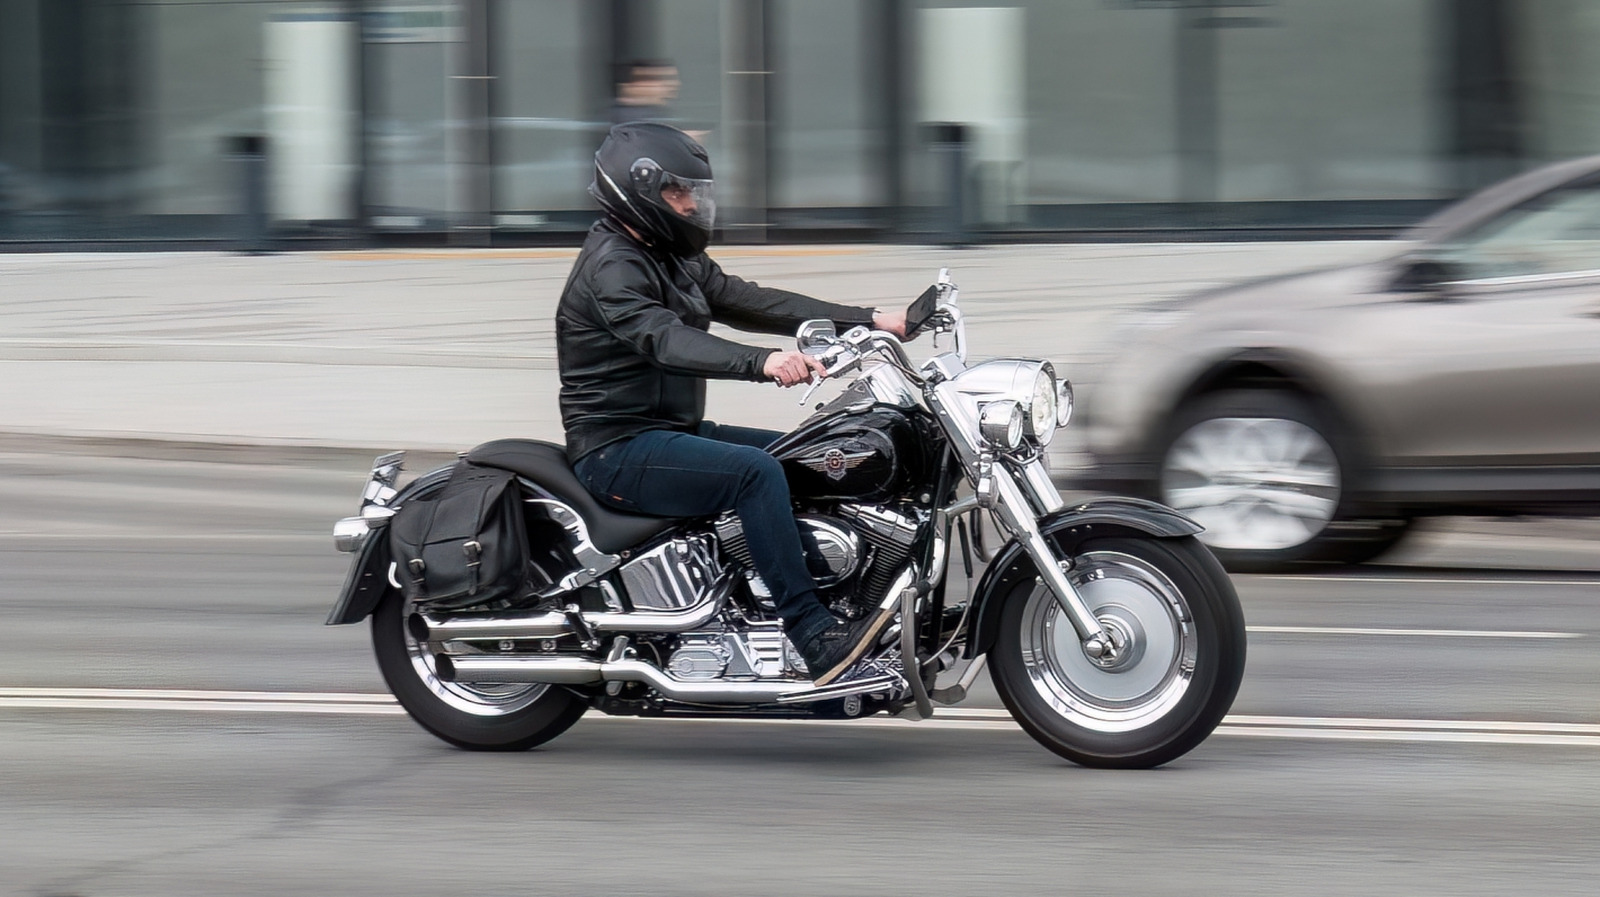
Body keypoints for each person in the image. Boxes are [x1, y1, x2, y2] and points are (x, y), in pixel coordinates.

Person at [555, 122, 909, 686]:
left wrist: (869, 320)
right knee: (754, 472)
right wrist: (761, 362)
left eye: (693, 191)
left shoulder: (669, 255)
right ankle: (812, 633)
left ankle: (821, 590)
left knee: (807, 455)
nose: (690, 204)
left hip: (672, 430)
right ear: (637, 190)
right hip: (617, 448)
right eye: (677, 192)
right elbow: (664, 338)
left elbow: (749, 301)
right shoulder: (612, 267)